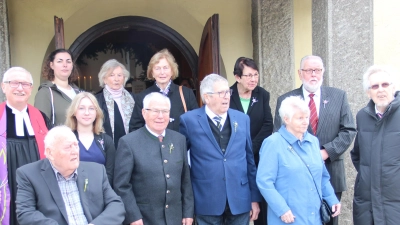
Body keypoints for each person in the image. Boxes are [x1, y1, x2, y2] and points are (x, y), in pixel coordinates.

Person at [273, 55, 356, 225]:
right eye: (309, 70)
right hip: (296, 177)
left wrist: (325, 152)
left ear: (323, 72)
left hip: (331, 173)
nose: (314, 74)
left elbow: (348, 130)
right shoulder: (286, 100)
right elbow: (279, 136)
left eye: (318, 70)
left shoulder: (338, 96)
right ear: (300, 73)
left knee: (330, 220)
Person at [179, 74, 261, 225]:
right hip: (206, 199)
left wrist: (254, 198)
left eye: (227, 92)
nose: (226, 97)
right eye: (221, 93)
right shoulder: (189, 121)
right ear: (207, 97)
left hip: (240, 199)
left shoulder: (242, 119)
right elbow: (181, 163)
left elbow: (249, 160)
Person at [15, 126, 125, 225]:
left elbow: (116, 205)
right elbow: (25, 213)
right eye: (68, 147)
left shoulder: (96, 171)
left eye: (76, 145)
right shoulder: (28, 174)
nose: (75, 151)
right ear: (50, 153)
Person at [257, 96, 341, 224]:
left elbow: (322, 176)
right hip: (288, 218)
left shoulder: (313, 141)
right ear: (286, 119)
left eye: (306, 117)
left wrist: (331, 198)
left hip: (314, 218)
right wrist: (282, 209)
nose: (305, 122)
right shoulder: (273, 143)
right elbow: (264, 181)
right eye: (300, 118)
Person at [114, 92, 194, 225]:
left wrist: (188, 212)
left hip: (176, 217)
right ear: (144, 113)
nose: (160, 116)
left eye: (165, 111)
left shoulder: (179, 140)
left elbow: (185, 180)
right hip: (144, 219)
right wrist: (133, 216)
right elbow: (121, 186)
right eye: (155, 111)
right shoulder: (128, 142)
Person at [351, 65, 400, 225]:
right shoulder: (362, 116)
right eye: (375, 86)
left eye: (385, 84)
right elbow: (358, 155)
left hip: (394, 203)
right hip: (367, 203)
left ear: (393, 87)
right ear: (368, 92)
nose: (380, 90)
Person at [0, 67, 50, 225]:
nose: (20, 88)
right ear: (3, 87)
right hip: (7, 178)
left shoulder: (41, 116)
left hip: (36, 177)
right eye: (14, 83)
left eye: (25, 84)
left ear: (31, 89)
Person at [229, 57, 273, 225]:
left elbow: (268, 124)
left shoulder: (262, 95)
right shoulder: (227, 95)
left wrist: (251, 147)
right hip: (234, 158)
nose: (253, 79)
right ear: (237, 77)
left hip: (258, 157)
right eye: (248, 75)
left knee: (260, 206)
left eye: (256, 74)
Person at [129, 49, 198, 132]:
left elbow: (196, 124)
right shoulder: (143, 96)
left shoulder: (187, 93)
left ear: (172, 71)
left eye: (165, 68)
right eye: (157, 68)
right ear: (152, 73)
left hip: (182, 144)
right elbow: (135, 129)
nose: (162, 72)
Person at [65, 92, 115, 186]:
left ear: (97, 113)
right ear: (74, 112)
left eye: (91, 108)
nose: (87, 113)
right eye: (81, 108)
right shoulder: (65, 139)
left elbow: (110, 175)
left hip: (101, 193)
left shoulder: (106, 141)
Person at [34, 49, 81, 126]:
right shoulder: (45, 93)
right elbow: (40, 125)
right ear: (52, 65)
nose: (65, 65)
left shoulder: (79, 92)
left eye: (68, 61)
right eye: (60, 61)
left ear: (72, 65)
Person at [95, 59, 134, 148]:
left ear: (124, 78)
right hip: (107, 148)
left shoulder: (133, 99)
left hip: (131, 147)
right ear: (104, 79)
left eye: (119, 75)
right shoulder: (97, 100)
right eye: (112, 75)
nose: (116, 79)